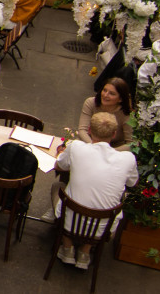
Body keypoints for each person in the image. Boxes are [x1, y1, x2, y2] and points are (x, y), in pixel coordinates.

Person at [51, 112, 138, 270]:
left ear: (89, 130)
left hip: (70, 222)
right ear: (113, 134)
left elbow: (59, 166)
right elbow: (133, 182)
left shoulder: (76, 147)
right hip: (102, 230)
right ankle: (85, 252)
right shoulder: (128, 158)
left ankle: (67, 248)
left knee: (57, 188)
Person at [76, 78, 133, 150]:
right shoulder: (90, 103)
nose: (105, 95)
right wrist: (95, 147)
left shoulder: (126, 114)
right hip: (89, 144)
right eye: (104, 90)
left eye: (111, 93)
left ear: (120, 99)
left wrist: (109, 152)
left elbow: (131, 144)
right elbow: (82, 130)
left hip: (114, 150)